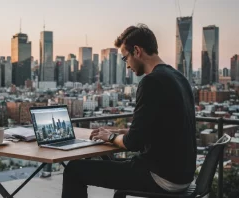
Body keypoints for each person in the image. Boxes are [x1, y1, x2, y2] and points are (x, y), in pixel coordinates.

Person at [61, 24, 196, 198]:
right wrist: (117, 131)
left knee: (74, 169)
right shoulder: (179, 78)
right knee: (114, 164)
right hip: (181, 176)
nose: (127, 66)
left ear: (137, 51)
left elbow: (133, 143)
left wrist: (110, 137)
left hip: (160, 177)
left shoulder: (151, 82)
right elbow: (154, 130)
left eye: (125, 58)